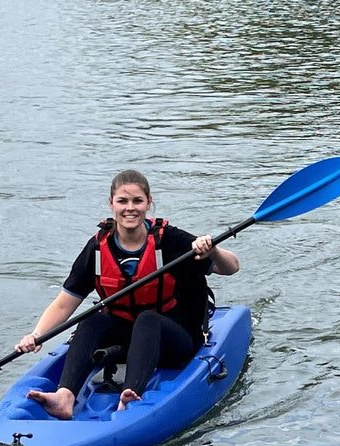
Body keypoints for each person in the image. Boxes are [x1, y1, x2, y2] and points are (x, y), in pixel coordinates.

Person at [15, 171, 240, 418]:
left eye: (137, 201)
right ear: (111, 203)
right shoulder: (98, 248)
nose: (130, 208)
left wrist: (212, 249)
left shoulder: (170, 241)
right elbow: (63, 304)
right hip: (125, 340)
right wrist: (37, 335)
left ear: (149, 203)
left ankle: (131, 393)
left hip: (174, 339)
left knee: (147, 319)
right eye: (122, 201)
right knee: (92, 318)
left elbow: (230, 267)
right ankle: (65, 397)